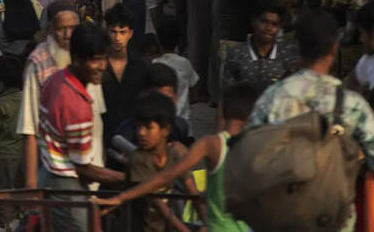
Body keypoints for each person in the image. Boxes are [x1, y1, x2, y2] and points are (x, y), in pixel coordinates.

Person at [249, 8, 374, 229]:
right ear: (334, 48)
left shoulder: (272, 98)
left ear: (297, 48)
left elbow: (251, 159)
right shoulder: (353, 105)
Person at [97, 82, 258, 232]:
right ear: (251, 115)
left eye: (147, 127)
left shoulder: (211, 144)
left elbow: (170, 181)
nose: (141, 133)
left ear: (222, 110)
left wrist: (120, 198)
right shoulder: (255, 149)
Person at [37, 23, 124, 230]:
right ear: (77, 60)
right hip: (67, 188)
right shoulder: (76, 104)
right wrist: (129, 178)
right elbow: (83, 168)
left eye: (104, 58)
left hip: (49, 176)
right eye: (95, 60)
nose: (103, 66)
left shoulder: (56, 80)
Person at [18, 0, 81, 187]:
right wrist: (31, 187)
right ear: (51, 29)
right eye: (62, 29)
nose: (68, 35)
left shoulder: (86, 56)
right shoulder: (38, 62)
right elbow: (29, 127)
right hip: (49, 161)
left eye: (73, 28)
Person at [120, 91, 197, 232]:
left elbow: (192, 192)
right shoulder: (137, 159)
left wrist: (207, 223)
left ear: (165, 130)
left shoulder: (174, 156)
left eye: (148, 128)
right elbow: (156, 202)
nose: (141, 133)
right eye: (138, 127)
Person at [220, 0, 299, 95]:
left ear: (279, 28)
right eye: (264, 22)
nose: (268, 28)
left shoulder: (288, 55)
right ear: (253, 21)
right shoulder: (236, 54)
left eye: (274, 24)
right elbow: (226, 93)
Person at [99, 2, 149, 141]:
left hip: (133, 138)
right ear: (107, 31)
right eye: (113, 32)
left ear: (130, 33)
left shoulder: (141, 67)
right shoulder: (97, 66)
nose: (117, 38)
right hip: (102, 137)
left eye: (122, 32)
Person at [0, 56, 26, 227]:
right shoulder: (26, 99)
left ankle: (6, 222)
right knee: (24, 190)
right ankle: (24, 218)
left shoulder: (0, 103)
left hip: (5, 155)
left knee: (5, 190)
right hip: (25, 154)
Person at [153, 16, 198, 121]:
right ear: (179, 40)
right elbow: (195, 95)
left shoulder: (154, 65)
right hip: (184, 124)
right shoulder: (185, 64)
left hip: (162, 125)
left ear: (157, 39)